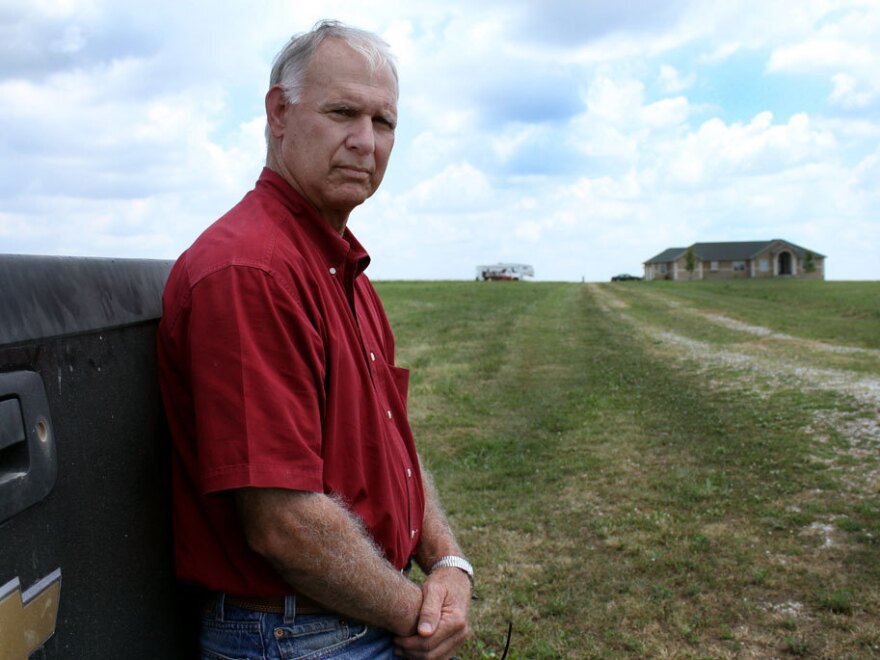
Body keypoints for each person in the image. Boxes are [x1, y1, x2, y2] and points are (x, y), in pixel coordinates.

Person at [157, 19, 472, 660]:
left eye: (384, 122)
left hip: (348, 617)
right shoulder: (251, 270)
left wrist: (448, 562)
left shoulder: (338, 267)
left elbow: (393, 451)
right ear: (279, 112)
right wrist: (417, 614)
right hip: (296, 635)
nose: (365, 141)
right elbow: (284, 523)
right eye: (341, 113)